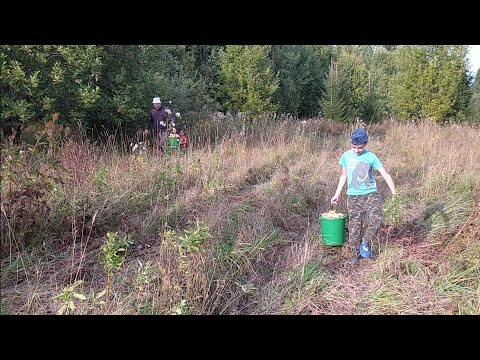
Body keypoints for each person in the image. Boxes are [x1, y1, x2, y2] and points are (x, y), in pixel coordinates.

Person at [330, 127, 396, 261]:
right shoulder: (346, 156)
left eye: (359, 147)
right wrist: (337, 194)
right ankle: (354, 254)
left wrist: (395, 193)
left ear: (365, 144)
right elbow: (343, 176)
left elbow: (385, 174)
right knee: (354, 226)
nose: (356, 150)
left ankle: (365, 242)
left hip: (370, 193)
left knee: (377, 220)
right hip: (353, 196)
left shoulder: (371, 157)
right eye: (354, 147)